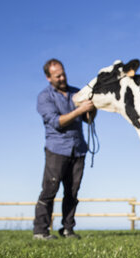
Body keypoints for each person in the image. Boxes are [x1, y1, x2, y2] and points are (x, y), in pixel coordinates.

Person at [33, 59, 96, 240]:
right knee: (49, 190)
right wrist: (80, 109)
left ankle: (68, 229)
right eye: (57, 75)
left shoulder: (77, 93)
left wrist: (91, 108)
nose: (62, 78)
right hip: (57, 149)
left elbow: (88, 119)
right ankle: (41, 231)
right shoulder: (44, 97)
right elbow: (57, 122)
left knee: (72, 192)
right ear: (48, 78)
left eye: (63, 73)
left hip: (78, 149)